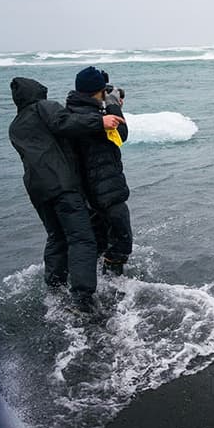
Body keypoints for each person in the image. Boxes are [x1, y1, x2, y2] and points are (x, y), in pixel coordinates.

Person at [8, 77, 125, 311]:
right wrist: (100, 121)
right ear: (36, 92)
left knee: (57, 237)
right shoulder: (45, 107)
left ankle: (54, 287)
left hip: (37, 190)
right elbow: (65, 123)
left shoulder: (16, 125)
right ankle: (82, 297)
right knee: (82, 239)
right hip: (62, 185)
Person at [66, 67, 132, 275]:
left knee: (100, 238)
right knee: (122, 239)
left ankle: (94, 282)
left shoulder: (75, 114)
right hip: (105, 190)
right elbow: (121, 134)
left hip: (89, 192)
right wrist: (113, 106)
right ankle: (114, 284)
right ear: (98, 92)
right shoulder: (94, 119)